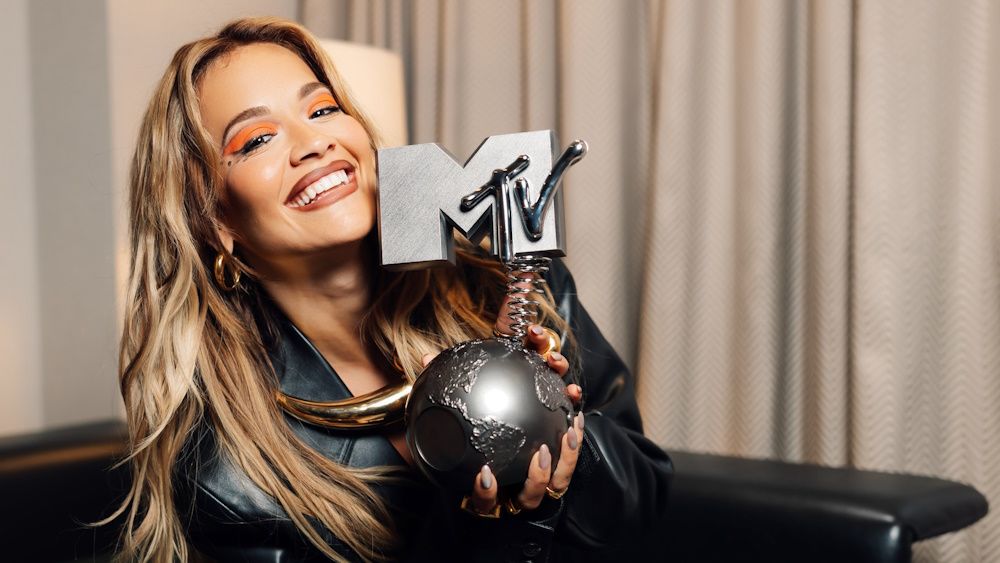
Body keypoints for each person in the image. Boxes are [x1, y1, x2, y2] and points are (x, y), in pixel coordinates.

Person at [112, 16, 672, 563]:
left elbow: (645, 503)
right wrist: (481, 533)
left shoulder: (513, 288)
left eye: (324, 109)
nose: (315, 142)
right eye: (257, 139)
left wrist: (548, 418)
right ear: (215, 221)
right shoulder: (229, 474)